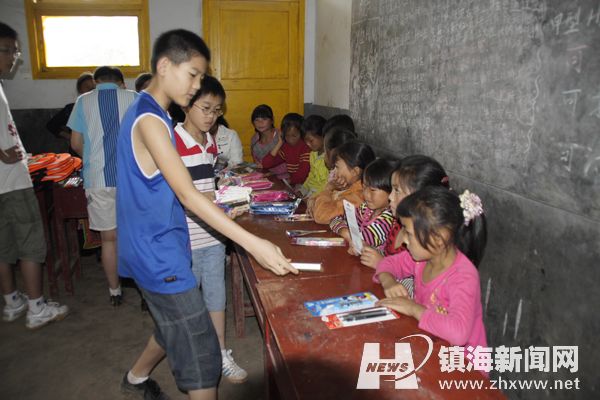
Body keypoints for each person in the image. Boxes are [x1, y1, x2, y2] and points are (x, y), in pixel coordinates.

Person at [117, 29, 296, 400]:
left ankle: (135, 379)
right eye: (193, 75)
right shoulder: (151, 121)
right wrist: (253, 243)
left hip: (156, 243)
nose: (197, 85)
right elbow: (187, 193)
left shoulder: (147, 112)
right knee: (201, 352)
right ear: (165, 66)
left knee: (172, 325)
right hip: (158, 251)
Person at [173, 75, 247, 383]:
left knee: (216, 296)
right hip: (185, 236)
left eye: (217, 110)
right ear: (186, 105)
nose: (211, 116)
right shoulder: (172, 141)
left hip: (213, 235)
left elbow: (207, 183)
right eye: (205, 108)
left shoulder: (210, 140)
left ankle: (219, 352)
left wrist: (227, 191)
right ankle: (191, 354)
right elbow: (180, 193)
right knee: (187, 303)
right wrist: (216, 198)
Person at [0, 21, 68, 329]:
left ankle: (12, 301)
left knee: (4, 245)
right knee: (30, 243)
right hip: (11, 182)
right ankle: (36, 307)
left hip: (7, 180)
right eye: (11, 50)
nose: (14, 57)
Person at [374, 186, 488, 351]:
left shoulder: (463, 276)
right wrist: (388, 281)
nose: (404, 240)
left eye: (408, 233)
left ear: (437, 239)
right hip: (430, 345)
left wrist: (413, 309)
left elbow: (458, 333)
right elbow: (387, 264)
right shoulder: (422, 258)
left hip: (462, 366)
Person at [68, 66, 138, 306]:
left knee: (109, 239)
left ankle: (115, 291)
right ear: (121, 82)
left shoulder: (83, 101)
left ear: (96, 82)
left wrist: (92, 158)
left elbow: (76, 143)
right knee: (137, 235)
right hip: (133, 180)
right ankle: (146, 293)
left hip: (98, 180)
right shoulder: (135, 98)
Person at [359, 155, 450, 297]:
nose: (390, 197)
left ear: (421, 198)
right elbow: (393, 261)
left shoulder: (425, 243)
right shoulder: (398, 224)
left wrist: (381, 264)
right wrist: (370, 251)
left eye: (397, 190)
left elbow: (419, 289)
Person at [330, 158, 395, 254]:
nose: (366, 194)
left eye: (373, 190)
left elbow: (359, 242)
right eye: (364, 188)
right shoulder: (366, 209)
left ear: (391, 191)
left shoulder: (388, 219)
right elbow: (334, 219)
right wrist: (345, 231)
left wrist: (346, 233)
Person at [309, 141, 375, 224]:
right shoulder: (347, 186)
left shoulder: (358, 196)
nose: (335, 172)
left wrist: (328, 189)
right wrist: (312, 200)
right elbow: (315, 200)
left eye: (337, 167)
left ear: (355, 171)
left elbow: (321, 216)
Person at [46, 72, 95, 151]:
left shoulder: (103, 107)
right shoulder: (71, 109)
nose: (91, 90)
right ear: (80, 90)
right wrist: (71, 137)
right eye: (87, 87)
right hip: (78, 152)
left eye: (94, 88)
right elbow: (51, 126)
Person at [261, 112, 311, 185]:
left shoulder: (306, 148)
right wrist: (279, 143)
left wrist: (284, 182)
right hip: (294, 184)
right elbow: (266, 164)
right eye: (287, 136)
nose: (290, 140)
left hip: (306, 185)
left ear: (302, 133)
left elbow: (301, 176)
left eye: (294, 136)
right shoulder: (286, 146)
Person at [249, 104, 287, 178]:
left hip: (283, 178)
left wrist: (272, 173)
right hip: (264, 178)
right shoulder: (254, 139)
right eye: (257, 120)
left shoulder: (280, 136)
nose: (260, 123)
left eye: (264, 119)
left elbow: (288, 163)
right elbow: (257, 162)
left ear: (272, 120)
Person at [300, 114, 328, 197]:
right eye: (306, 141)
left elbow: (327, 184)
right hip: (310, 193)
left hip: (321, 195)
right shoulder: (313, 154)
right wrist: (302, 191)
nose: (308, 144)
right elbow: (311, 176)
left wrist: (312, 197)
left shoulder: (329, 158)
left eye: (311, 141)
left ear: (323, 136)